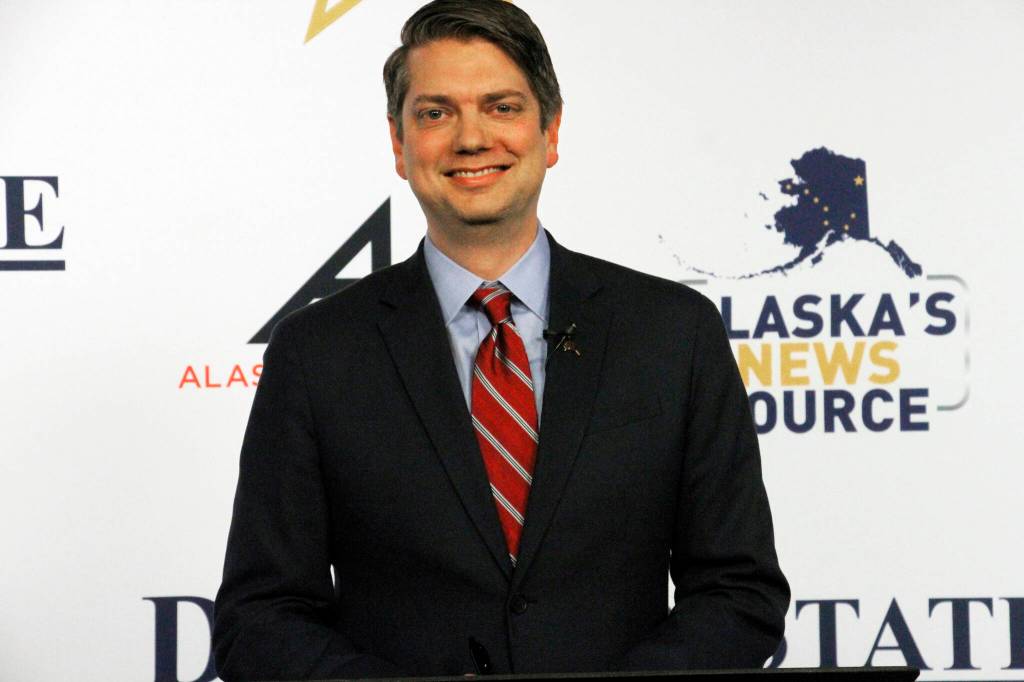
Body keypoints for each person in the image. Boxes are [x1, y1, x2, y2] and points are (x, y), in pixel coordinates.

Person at [213, 1, 789, 679]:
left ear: (550, 132)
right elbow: (260, 617)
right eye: (434, 112)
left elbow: (739, 593)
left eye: (502, 106)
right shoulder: (317, 352)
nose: (470, 137)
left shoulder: (673, 333)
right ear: (399, 146)